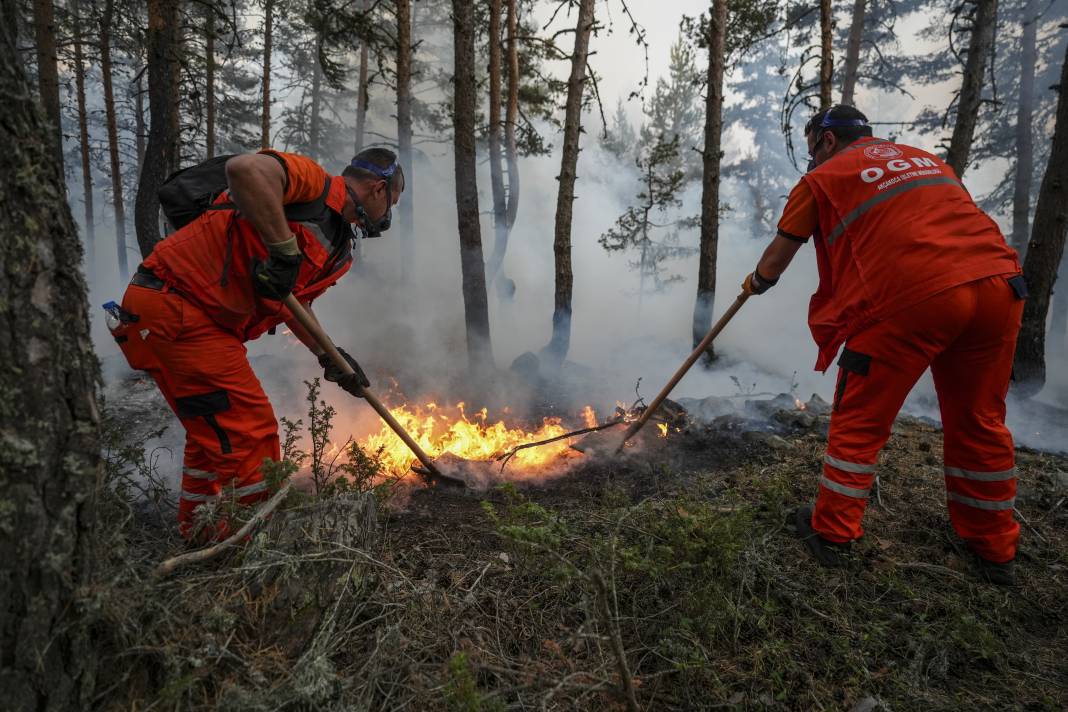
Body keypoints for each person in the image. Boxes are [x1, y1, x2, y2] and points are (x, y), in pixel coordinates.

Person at [742, 105, 1025, 585]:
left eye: (813, 148)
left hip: (913, 297)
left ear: (827, 141)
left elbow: (780, 253)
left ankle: (831, 531)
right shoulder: (925, 161)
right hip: (999, 286)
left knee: (860, 417)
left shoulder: (823, 179)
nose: (812, 160)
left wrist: (756, 281)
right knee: (980, 419)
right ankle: (995, 547)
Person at [111, 148, 403, 540]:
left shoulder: (340, 253)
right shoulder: (312, 183)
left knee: (212, 434)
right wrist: (284, 249)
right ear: (378, 189)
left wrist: (330, 356)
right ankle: (250, 547)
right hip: (178, 305)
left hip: (200, 322)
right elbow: (245, 169)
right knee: (251, 430)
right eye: (392, 204)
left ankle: (200, 533)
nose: (387, 217)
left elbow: (295, 306)